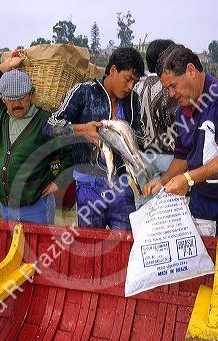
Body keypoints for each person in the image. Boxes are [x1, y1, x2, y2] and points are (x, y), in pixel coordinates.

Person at [43, 47, 145, 230]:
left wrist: (124, 134)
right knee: (91, 244)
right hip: (88, 185)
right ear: (113, 70)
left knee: (125, 243)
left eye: (134, 82)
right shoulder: (83, 92)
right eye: (128, 79)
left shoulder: (133, 100)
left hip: (121, 183)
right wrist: (81, 130)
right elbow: (50, 126)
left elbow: (141, 137)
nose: (130, 87)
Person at [0, 55, 72, 224]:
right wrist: (5, 66)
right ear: (2, 98)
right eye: (11, 98)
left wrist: (57, 182)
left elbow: (69, 152)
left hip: (36, 208)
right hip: (5, 208)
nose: (17, 103)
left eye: (22, 97)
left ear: (31, 94)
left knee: (37, 250)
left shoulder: (46, 121)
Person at [143, 44, 218, 237]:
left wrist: (189, 179)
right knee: (200, 264)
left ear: (191, 70)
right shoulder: (182, 112)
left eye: (173, 86)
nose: (171, 94)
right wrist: (163, 181)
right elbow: (183, 157)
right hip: (201, 204)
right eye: (167, 88)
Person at [138, 39, 178, 173]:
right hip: (169, 157)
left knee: (148, 193)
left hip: (143, 157)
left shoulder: (136, 87)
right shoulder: (170, 87)